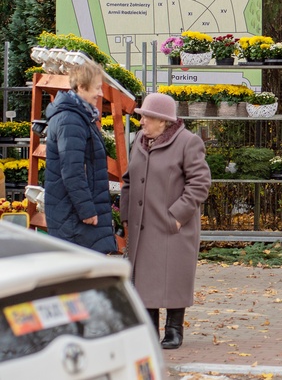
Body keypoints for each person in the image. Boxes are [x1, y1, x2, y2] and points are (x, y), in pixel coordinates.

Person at [120, 93, 212, 349]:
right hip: (143, 224)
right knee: (145, 279)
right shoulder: (140, 140)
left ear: (163, 121)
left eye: (146, 117)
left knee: (173, 276)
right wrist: (125, 215)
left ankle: (174, 329)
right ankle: (149, 329)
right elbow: (129, 179)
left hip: (171, 225)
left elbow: (200, 183)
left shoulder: (188, 142)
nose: (141, 122)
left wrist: (177, 216)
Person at [44, 59, 117, 254]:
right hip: (74, 217)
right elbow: (72, 170)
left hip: (72, 213)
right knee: (80, 277)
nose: (100, 93)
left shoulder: (80, 116)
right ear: (82, 87)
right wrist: (87, 210)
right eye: (97, 88)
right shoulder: (71, 120)